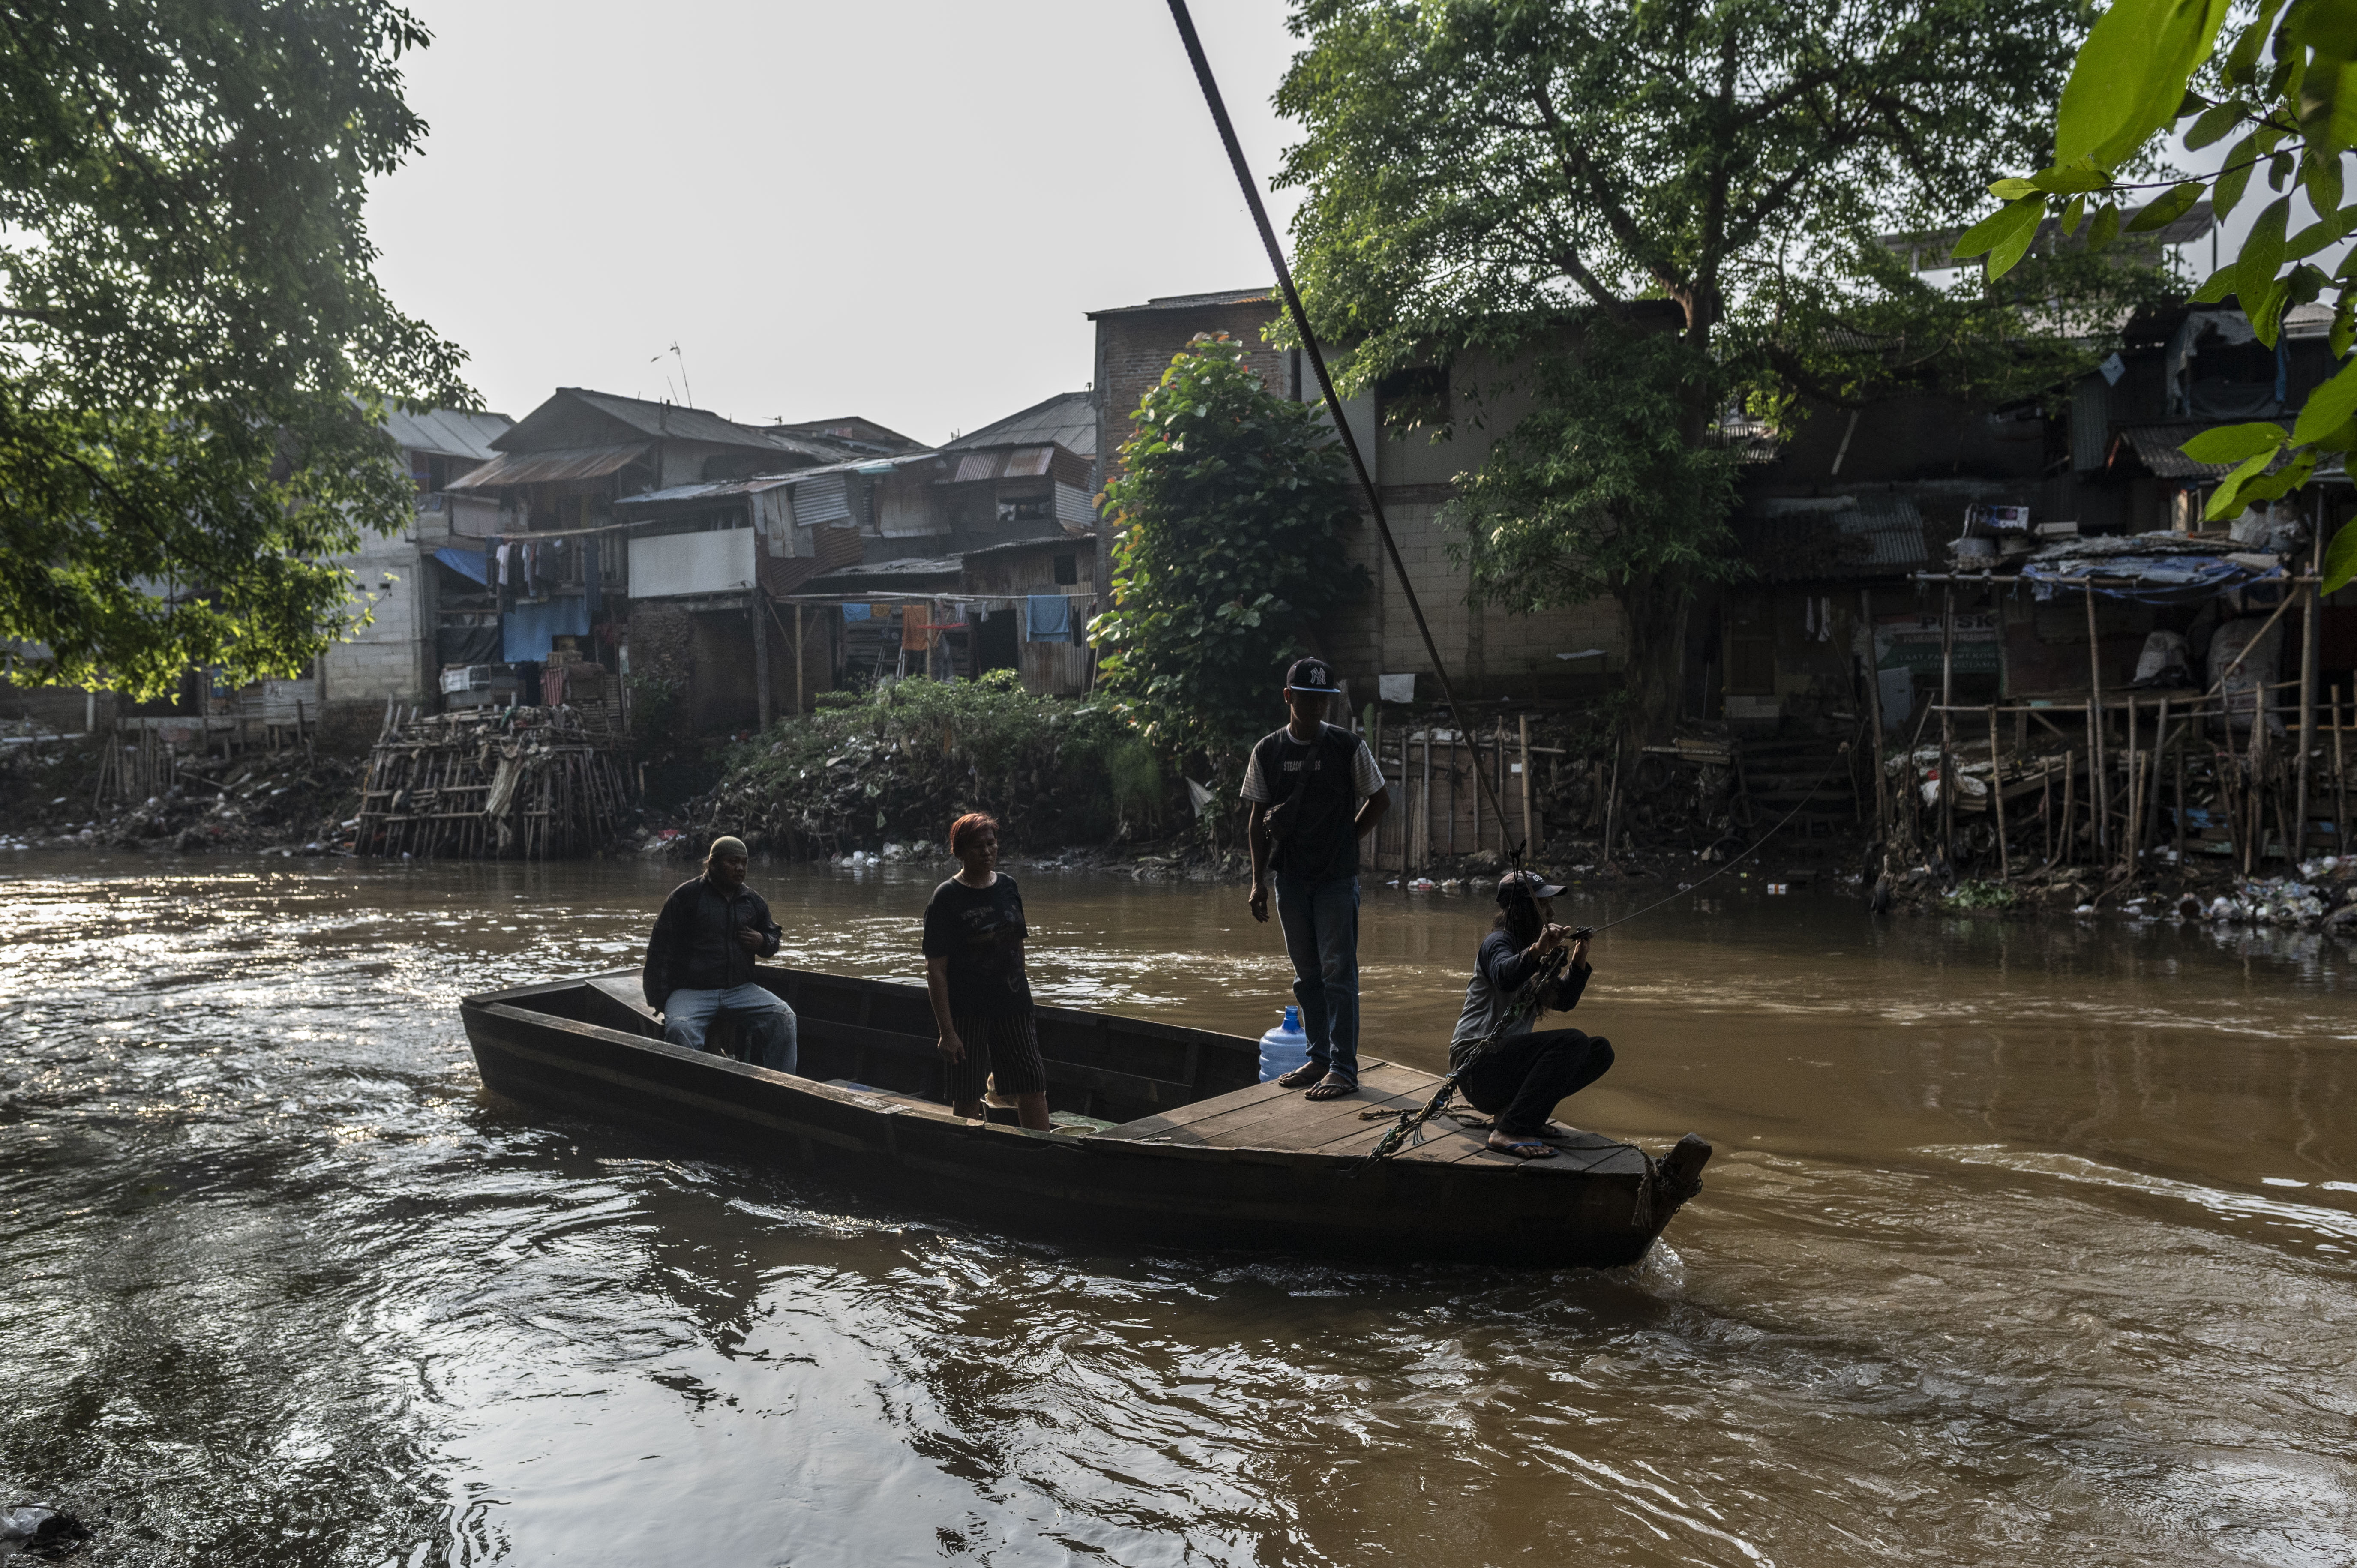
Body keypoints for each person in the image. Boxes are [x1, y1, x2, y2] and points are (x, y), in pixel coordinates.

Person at [1241, 655, 1390, 1101]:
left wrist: (1349, 839)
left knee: (1338, 974)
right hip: (1291, 880)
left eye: (1324, 699)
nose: (1317, 706)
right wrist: (1256, 881)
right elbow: (1255, 821)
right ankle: (1320, 1058)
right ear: (1289, 697)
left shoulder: (1347, 747)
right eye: (1308, 697)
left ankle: (1344, 1067)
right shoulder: (1268, 751)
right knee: (1307, 976)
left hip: (1336, 880)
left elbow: (1380, 799)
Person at [1448, 870, 1615, 1159]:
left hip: (1502, 1071)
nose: (1551, 912)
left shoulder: (1537, 955)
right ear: (1526, 910)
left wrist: (1579, 960)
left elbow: (1563, 1000)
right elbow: (1505, 975)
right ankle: (1509, 1130)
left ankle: (1517, 1116)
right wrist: (1538, 950)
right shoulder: (1497, 943)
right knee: (1572, 1041)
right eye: (1544, 905)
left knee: (1599, 1050)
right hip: (1476, 1068)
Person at [922, 812, 1052, 1130]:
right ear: (961, 851)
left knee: (1032, 1085)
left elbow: (1017, 947)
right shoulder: (946, 898)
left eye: (992, 843)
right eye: (978, 846)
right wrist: (947, 1031)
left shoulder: (1008, 886)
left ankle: (1041, 1155)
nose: (987, 851)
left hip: (1014, 1006)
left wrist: (1024, 995)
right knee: (967, 1094)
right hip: (968, 1012)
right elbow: (936, 970)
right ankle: (965, 1159)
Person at [641, 835, 798, 1073]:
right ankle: (688, 1094)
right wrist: (661, 1000)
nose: (740, 869)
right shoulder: (685, 898)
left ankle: (783, 1088)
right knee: (679, 1030)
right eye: (733, 862)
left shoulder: (752, 901)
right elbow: (659, 952)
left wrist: (763, 942)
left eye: (744, 863)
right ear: (712, 864)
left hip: (739, 990)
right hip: (692, 992)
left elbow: (773, 937)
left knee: (784, 1018)